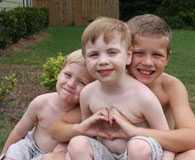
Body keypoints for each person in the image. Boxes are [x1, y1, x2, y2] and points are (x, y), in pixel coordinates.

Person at [65, 17, 174, 160]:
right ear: (86, 60)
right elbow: (88, 134)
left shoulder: (143, 96)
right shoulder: (88, 93)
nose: (103, 61)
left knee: (138, 147)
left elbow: (168, 142)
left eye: (112, 52)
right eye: (94, 54)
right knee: (77, 143)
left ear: (128, 56)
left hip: (139, 154)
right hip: (106, 153)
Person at [126, 14, 195, 160]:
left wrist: (133, 131)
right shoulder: (111, 82)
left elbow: (193, 138)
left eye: (157, 55)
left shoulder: (171, 86)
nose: (148, 62)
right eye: (138, 53)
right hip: (116, 152)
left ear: (167, 58)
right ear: (125, 52)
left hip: (161, 152)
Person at [0, 49, 94, 160]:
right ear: (59, 73)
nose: (71, 84)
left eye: (81, 82)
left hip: (49, 156)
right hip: (28, 146)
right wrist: (3, 154)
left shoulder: (84, 114)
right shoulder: (41, 102)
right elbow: (18, 131)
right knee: (15, 151)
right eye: (67, 75)